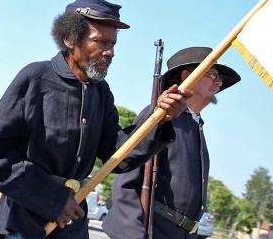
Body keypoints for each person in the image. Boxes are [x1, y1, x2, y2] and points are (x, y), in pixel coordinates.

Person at [0, 0, 190, 239]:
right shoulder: (35, 78)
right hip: (25, 224)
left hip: (72, 227)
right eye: (100, 42)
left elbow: (117, 155)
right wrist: (53, 201)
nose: (110, 52)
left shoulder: (101, 92)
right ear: (69, 38)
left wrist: (159, 119)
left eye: (112, 44)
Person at [103, 47, 241, 239]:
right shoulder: (160, 117)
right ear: (187, 76)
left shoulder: (195, 124)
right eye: (212, 74)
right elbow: (125, 183)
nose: (219, 81)